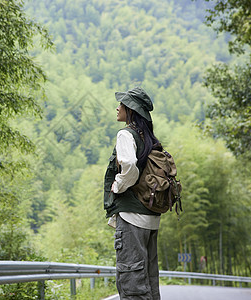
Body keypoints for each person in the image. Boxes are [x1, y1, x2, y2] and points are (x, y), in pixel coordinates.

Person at [104, 87, 161, 300]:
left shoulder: (126, 134)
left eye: (122, 104)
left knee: (132, 285)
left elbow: (128, 165)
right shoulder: (148, 137)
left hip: (132, 220)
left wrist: (118, 185)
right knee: (149, 283)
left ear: (131, 110)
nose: (117, 107)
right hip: (151, 219)